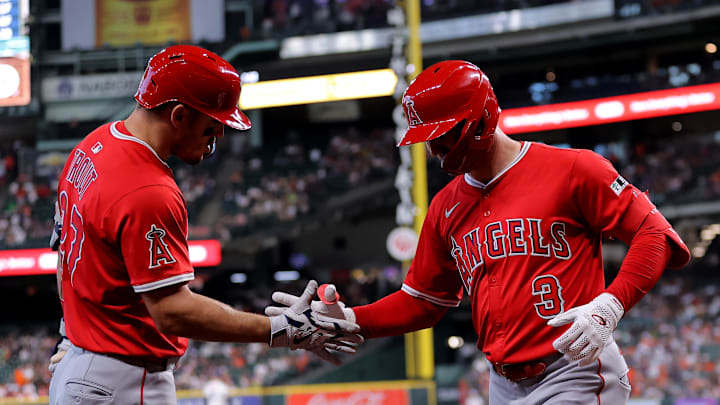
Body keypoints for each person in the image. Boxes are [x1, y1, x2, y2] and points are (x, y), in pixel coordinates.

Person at [266, 60, 691, 404]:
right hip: (501, 384)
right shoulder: (445, 206)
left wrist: (609, 306)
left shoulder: (573, 169)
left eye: (443, 137)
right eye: (427, 140)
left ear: (482, 118)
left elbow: (655, 234)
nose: (434, 150)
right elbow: (422, 304)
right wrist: (354, 319)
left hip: (572, 372)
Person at [48, 45, 362, 405]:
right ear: (179, 115)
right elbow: (172, 311)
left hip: (82, 366)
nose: (221, 134)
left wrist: (70, 336)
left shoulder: (91, 146)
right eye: (214, 122)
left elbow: (64, 264)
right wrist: (280, 329)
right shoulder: (147, 189)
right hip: (120, 381)